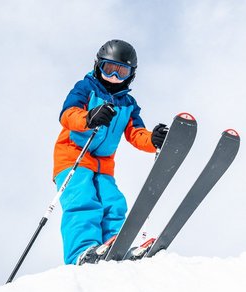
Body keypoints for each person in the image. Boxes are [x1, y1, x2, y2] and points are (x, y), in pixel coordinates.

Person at [53, 39, 168, 265]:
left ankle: (115, 245)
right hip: (73, 157)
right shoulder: (85, 88)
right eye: (109, 70)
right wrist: (88, 118)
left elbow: (136, 133)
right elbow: (67, 114)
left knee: (113, 204)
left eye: (121, 72)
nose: (114, 77)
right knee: (83, 201)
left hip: (103, 165)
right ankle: (82, 252)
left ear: (131, 75)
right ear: (98, 66)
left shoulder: (128, 104)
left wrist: (152, 140)